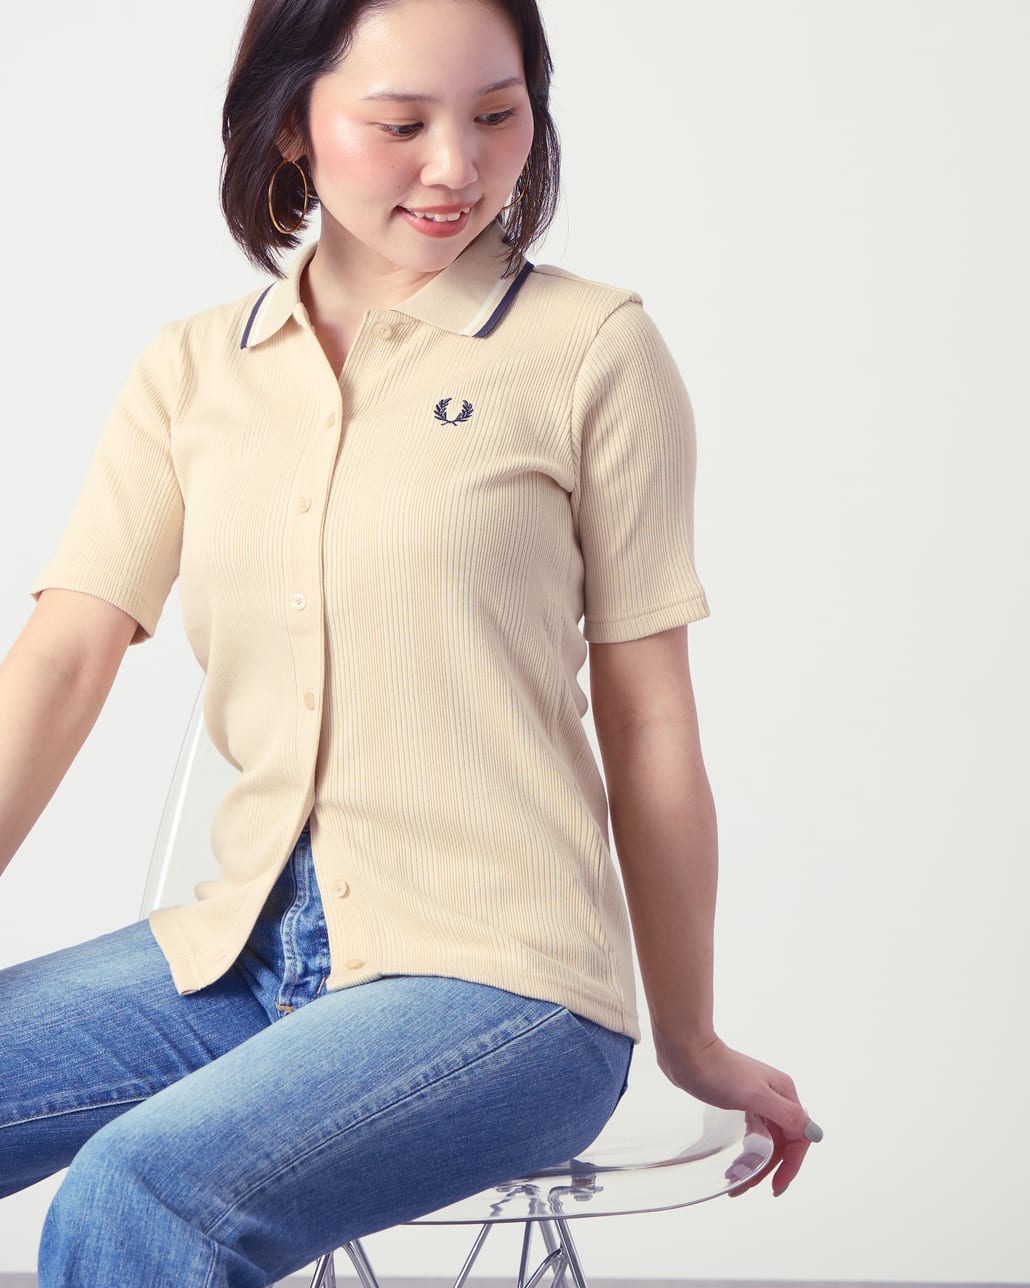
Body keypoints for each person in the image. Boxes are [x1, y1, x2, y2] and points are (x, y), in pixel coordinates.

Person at [0, 0, 821, 1283]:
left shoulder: (591, 350)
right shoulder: (192, 370)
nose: (457, 166)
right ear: (289, 125)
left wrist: (690, 1032)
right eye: (400, 124)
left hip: (507, 987)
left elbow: (650, 716)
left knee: (145, 1191)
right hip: (243, 955)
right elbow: (60, 662)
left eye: (497, 115)